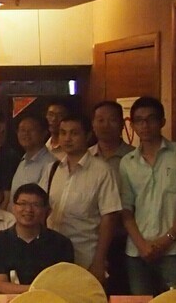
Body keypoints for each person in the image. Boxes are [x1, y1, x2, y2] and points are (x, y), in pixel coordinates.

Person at [119, 96, 176, 295]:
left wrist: (167, 239)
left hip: (174, 248)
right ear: (132, 125)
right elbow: (125, 208)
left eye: (151, 119)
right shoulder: (127, 162)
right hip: (137, 251)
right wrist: (142, 244)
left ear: (162, 121)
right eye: (139, 120)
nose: (145, 125)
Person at [40, 113, 122, 281]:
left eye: (74, 133)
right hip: (51, 254)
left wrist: (99, 260)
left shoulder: (102, 171)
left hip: (85, 255)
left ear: (88, 135)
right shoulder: (52, 169)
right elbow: (41, 207)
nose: (67, 138)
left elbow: (109, 218)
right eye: (63, 133)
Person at [0, 184, 75, 294]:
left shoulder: (61, 244)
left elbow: (64, 284)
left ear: (46, 210)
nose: (28, 209)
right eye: (23, 204)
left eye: (36, 205)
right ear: (13, 207)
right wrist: (38, 290)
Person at [88, 100, 134, 294]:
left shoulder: (134, 158)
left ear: (123, 124)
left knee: (121, 293)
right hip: (91, 239)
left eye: (112, 120)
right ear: (93, 124)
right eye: (100, 120)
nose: (105, 125)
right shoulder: (85, 158)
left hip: (125, 239)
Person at [11, 115, 55, 193]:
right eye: (22, 130)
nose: (26, 133)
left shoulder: (50, 164)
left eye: (31, 129)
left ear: (44, 133)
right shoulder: (23, 161)